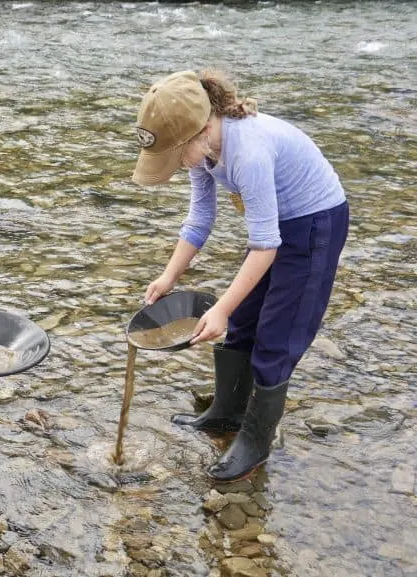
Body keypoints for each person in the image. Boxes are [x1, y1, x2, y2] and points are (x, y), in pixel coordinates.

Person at [132, 70, 349, 482]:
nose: (178, 166)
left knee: (277, 333)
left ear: (200, 129)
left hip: (316, 224)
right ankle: (226, 413)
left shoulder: (248, 152)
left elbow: (265, 245)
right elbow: (200, 218)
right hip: (276, 224)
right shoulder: (203, 150)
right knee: (245, 320)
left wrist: (222, 309)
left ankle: (255, 441)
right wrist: (168, 277)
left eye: (176, 156)